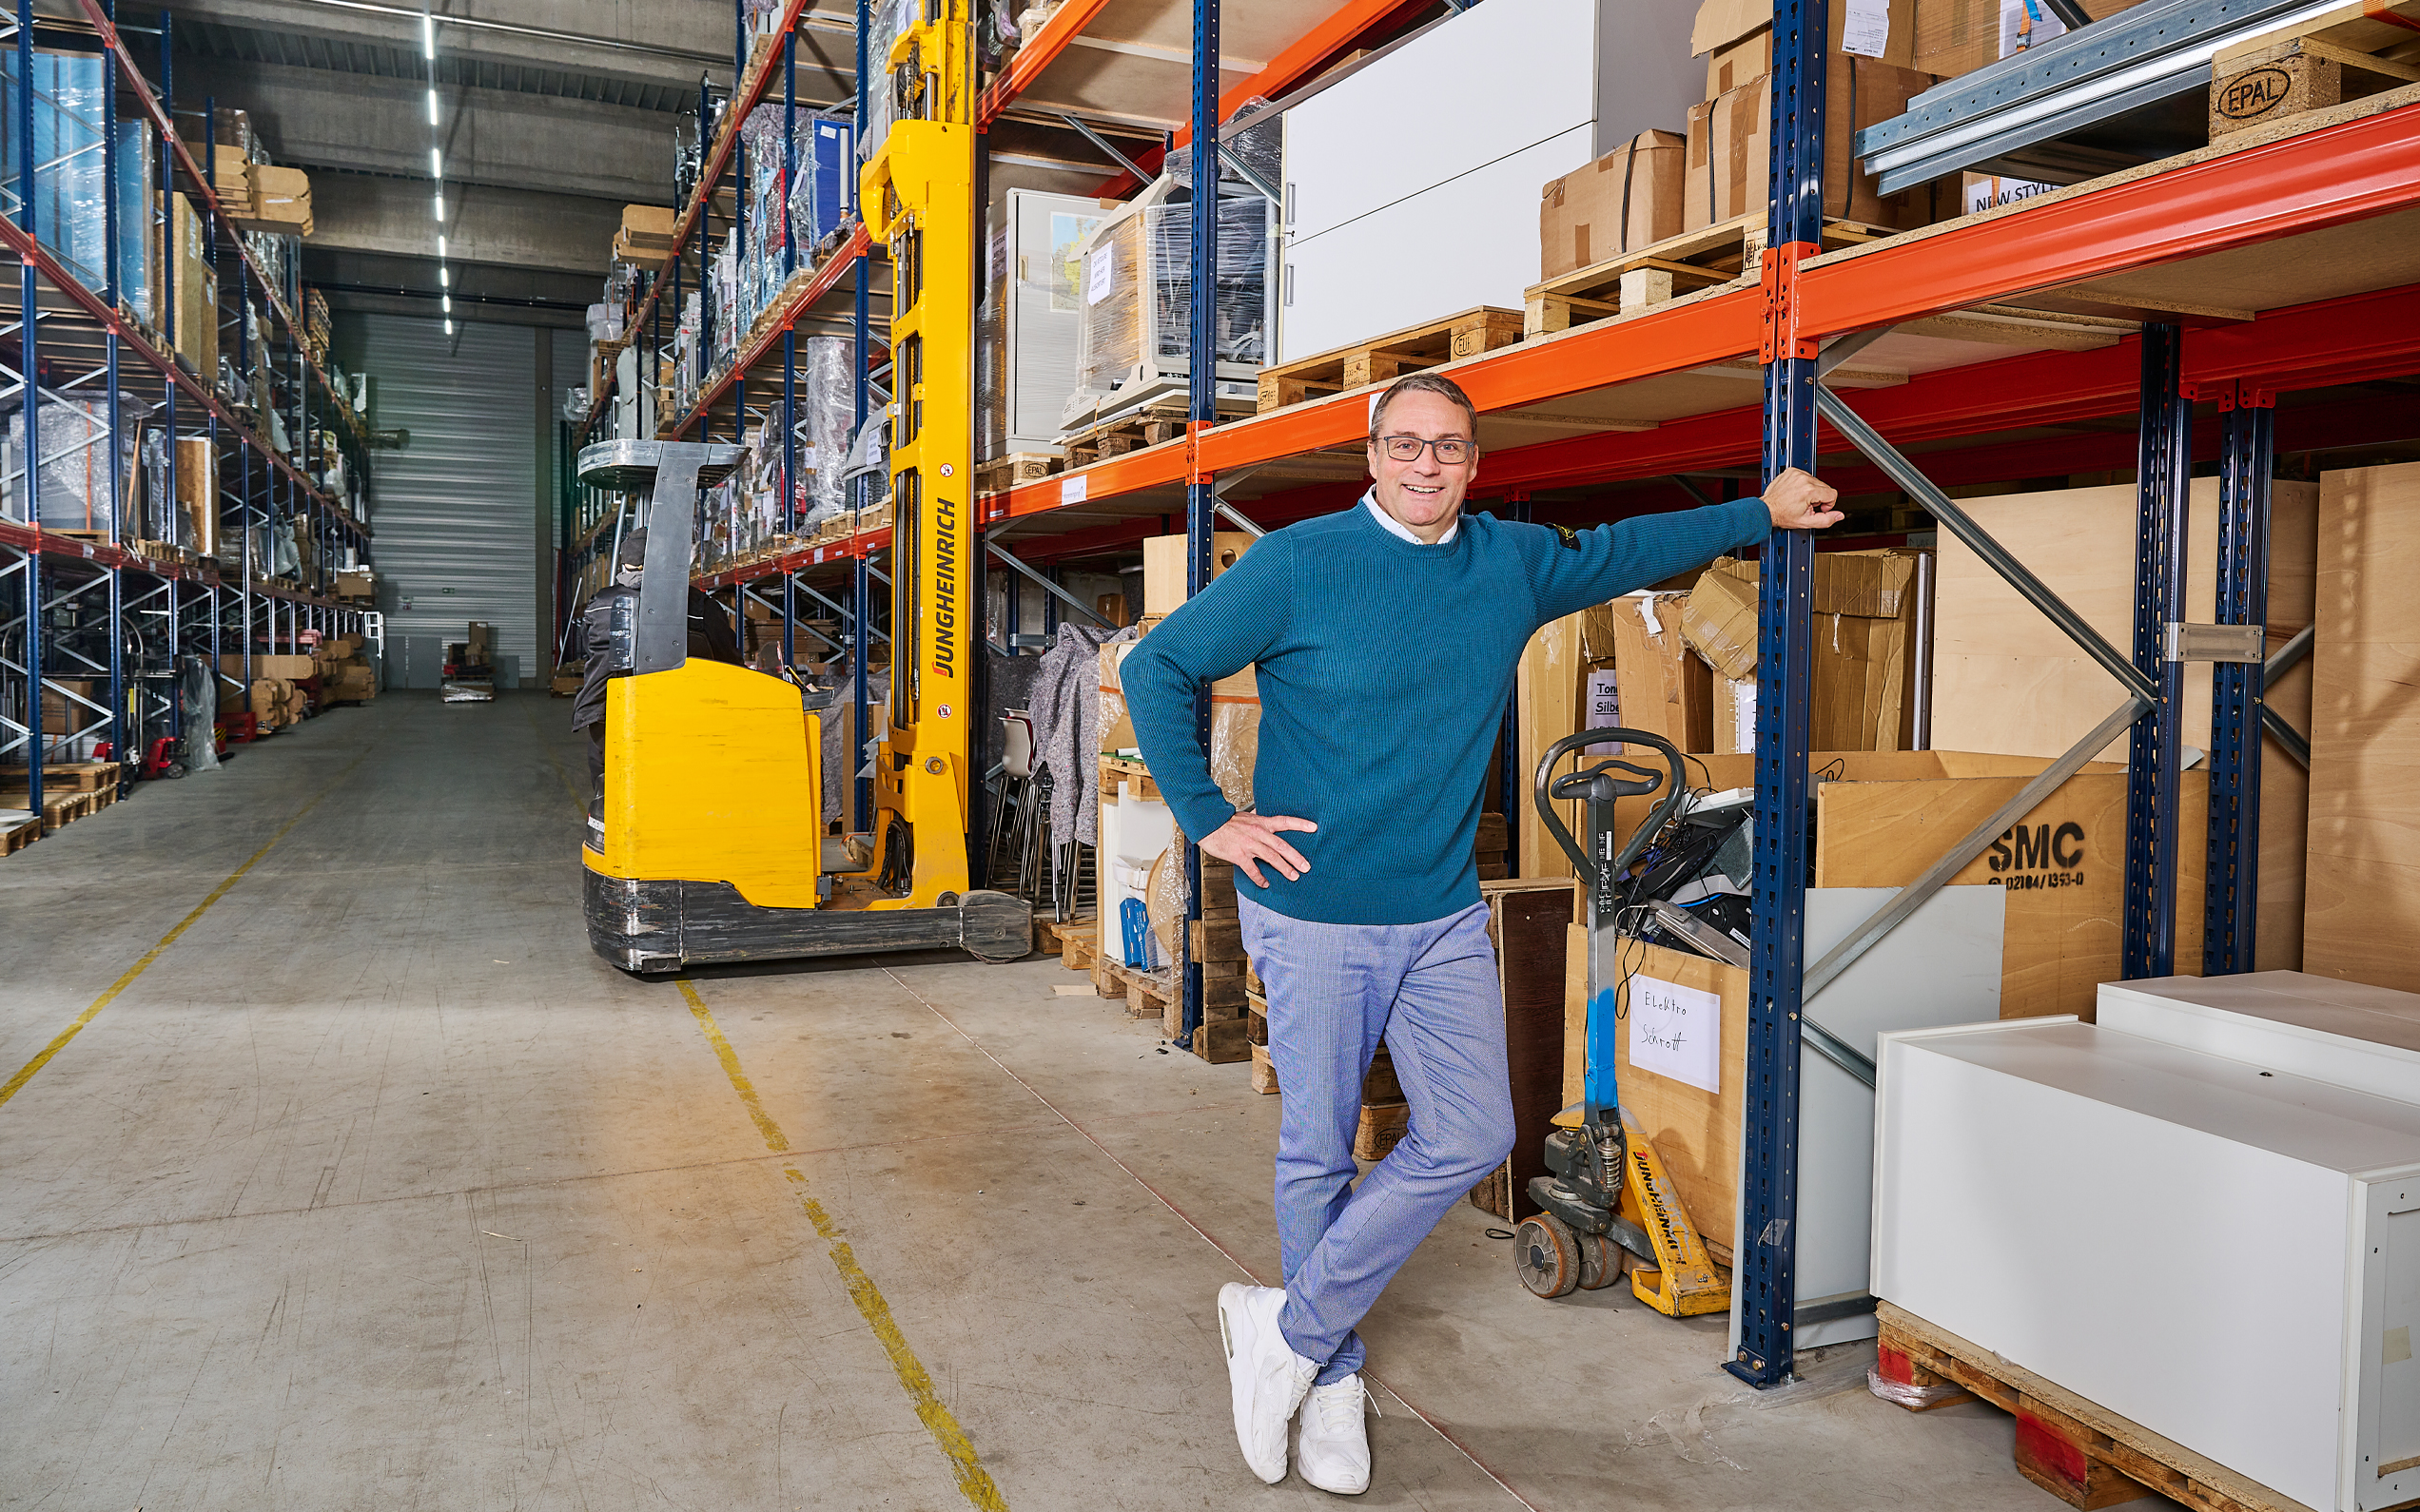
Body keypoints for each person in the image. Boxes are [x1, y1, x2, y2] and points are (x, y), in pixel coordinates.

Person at [1120, 372, 1842, 1495]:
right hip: (1316, 912)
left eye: (1448, 446)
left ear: (1473, 461)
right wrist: (1210, 819)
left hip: (1442, 912)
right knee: (1319, 1149)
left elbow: (1626, 547)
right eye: (1405, 444)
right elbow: (1157, 663)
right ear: (1372, 456)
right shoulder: (1299, 564)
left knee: (1471, 1132)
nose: (1426, 464)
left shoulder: (1509, 563)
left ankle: (1290, 1332)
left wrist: (1760, 509)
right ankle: (1333, 1371)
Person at [566, 528, 744, 820]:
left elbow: (592, 652)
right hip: (680, 720)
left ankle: (608, 831)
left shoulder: (600, 603)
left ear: (624, 563)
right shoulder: (700, 606)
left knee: (610, 797)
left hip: (604, 713)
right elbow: (731, 664)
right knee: (676, 802)